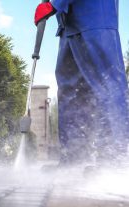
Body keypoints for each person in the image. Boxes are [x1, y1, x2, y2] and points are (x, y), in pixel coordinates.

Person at [34, 0, 129, 166]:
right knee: (70, 93)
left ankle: (115, 160)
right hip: (69, 25)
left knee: (108, 87)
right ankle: (74, 159)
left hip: (95, 20)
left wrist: (54, 5)